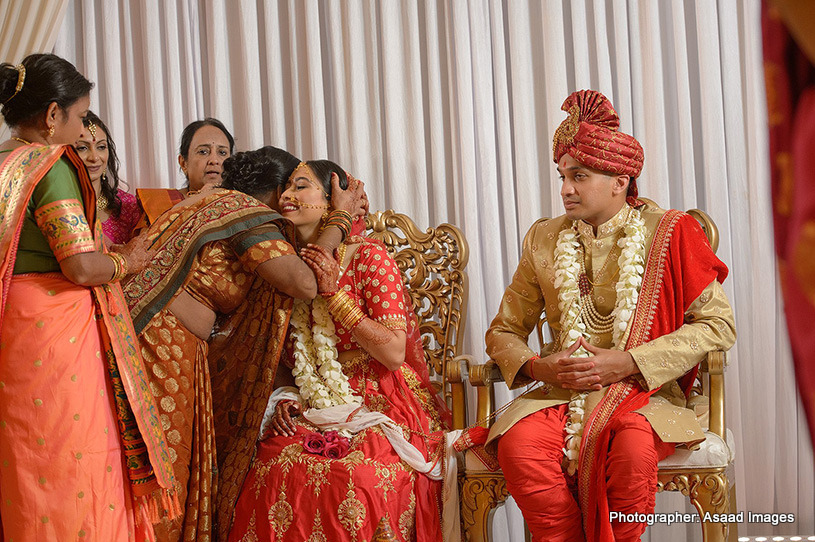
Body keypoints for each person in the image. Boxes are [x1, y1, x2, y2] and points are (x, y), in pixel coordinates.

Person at [484, 90, 737, 542]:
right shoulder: (544, 239)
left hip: (647, 393)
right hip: (564, 392)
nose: (565, 189)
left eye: (578, 176)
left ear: (620, 180)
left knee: (634, 449)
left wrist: (629, 362)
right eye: (562, 176)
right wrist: (540, 366)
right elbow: (504, 329)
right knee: (520, 447)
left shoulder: (672, 232)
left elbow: (719, 325)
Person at [122, 147, 364, 542]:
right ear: (271, 191)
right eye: (288, 187)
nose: (289, 200)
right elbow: (304, 283)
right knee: (161, 484)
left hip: (155, 340)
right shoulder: (244, 213)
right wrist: (339, 218)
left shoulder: (208, 202)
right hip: (160, 348)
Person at [0, 53, 176, 540]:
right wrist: (130, 260)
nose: (81, 133)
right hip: (56, 331)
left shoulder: (2, 161)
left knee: (24, 459)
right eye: (79, 117)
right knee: (71, 458)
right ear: (52, 115)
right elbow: (80, 265)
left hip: (14, 322)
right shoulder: (49, 165)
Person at [228, 160, 450, 542]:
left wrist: (336, 297)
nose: (285, 196)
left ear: (332, 203)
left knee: (357, 477)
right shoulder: (287, 269)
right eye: (286, 188)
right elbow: (280, 354)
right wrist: (283, 397)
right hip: (311, 399)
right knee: (270, 467)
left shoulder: (369, 257)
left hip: (381, 398)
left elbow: (395, 353)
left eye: (300, 186)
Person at [135, 118, 233, 227]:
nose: (214, 160)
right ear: (183, 163)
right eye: (203, 152)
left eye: (222, 152)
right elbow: (146, 243)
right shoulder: (159, 204)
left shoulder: (243, 202)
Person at [75, 111, 141, 244]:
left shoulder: (129, 207)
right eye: (82, 148)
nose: (94, 157)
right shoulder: (57, 204)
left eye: (101, 147)